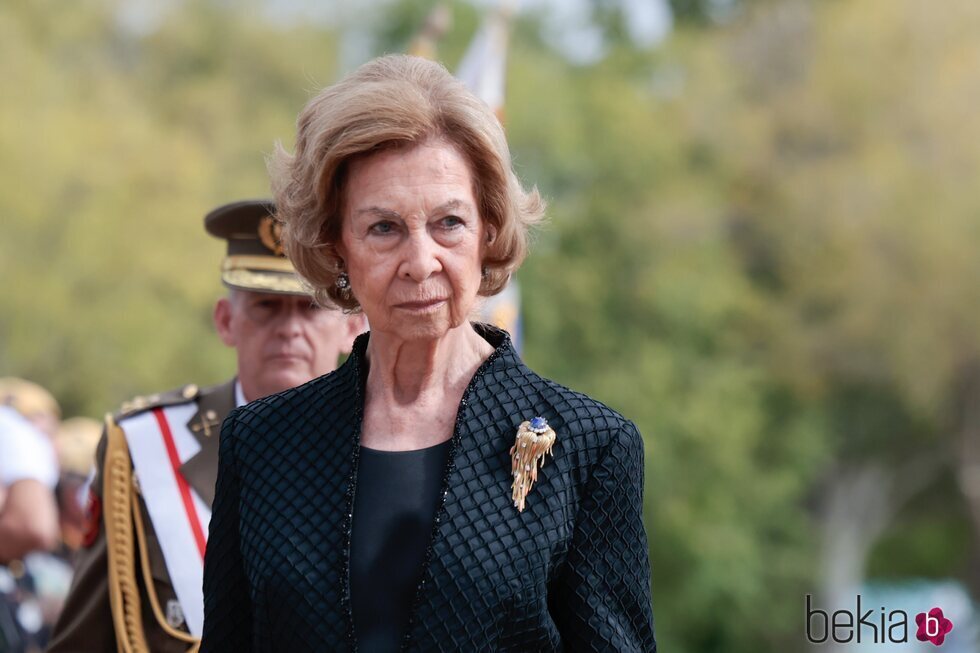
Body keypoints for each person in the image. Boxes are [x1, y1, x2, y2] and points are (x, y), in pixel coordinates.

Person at [201, 55, 656, 652]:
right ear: (335, 244)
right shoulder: (260, 443)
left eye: (448, 223)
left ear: (489, 229)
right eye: (384, 228)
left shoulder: (588, 447)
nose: (421, 261)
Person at [48, 199, 365, 653]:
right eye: (266, 306)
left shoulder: (391, 446)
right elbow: (83, 640)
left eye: (309, 308)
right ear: (225, 321)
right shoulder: (144, 447)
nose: (289, 329)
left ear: (351, 326)